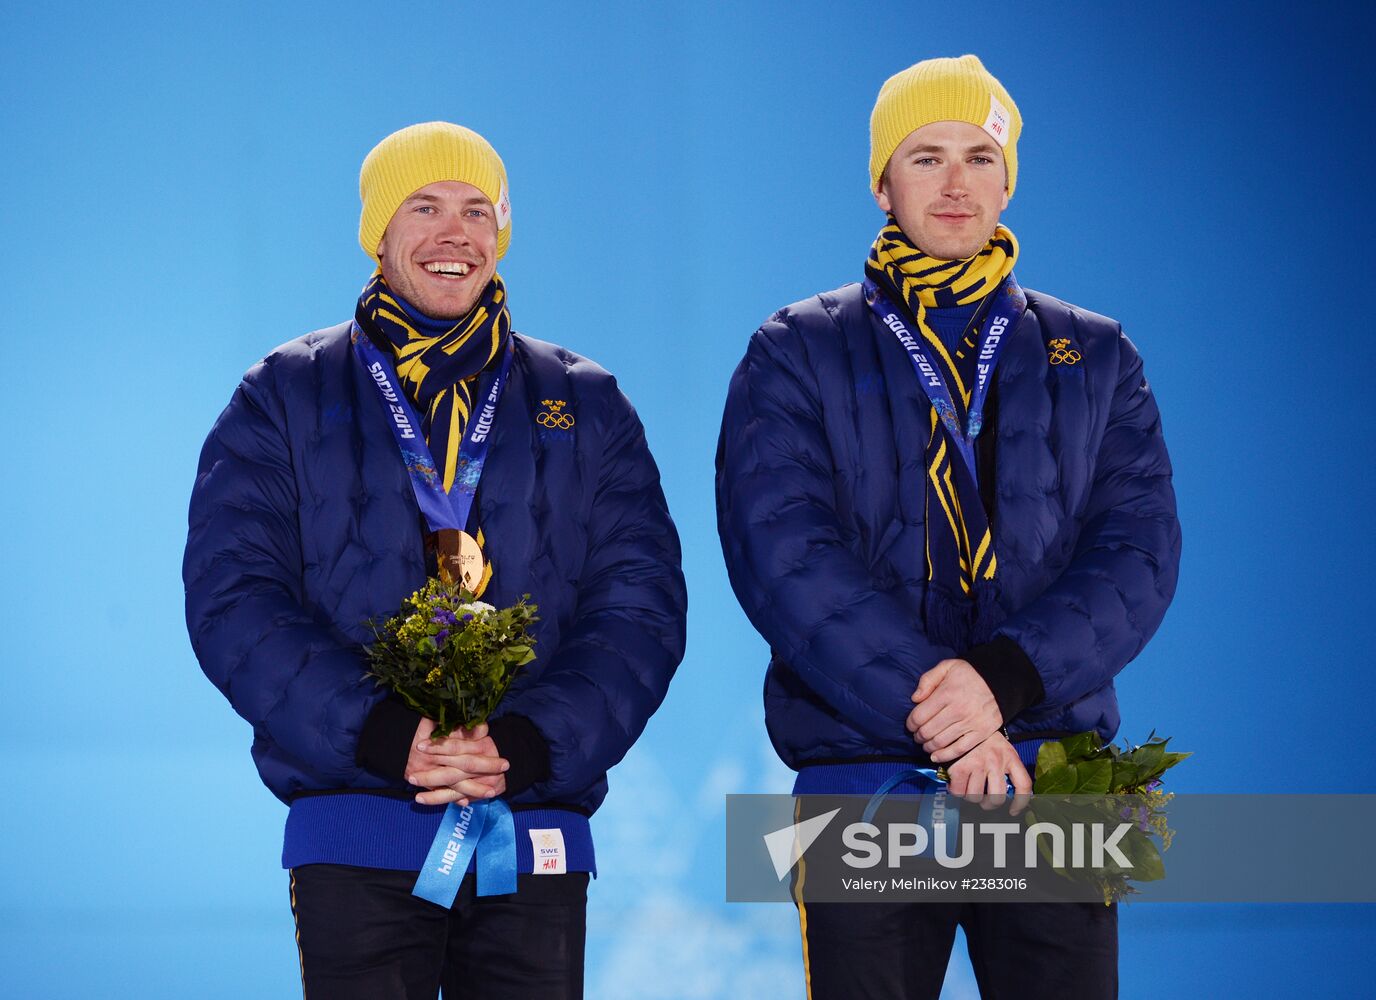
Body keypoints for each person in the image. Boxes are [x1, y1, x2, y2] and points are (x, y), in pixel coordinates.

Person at [184, 121, 686, 1000]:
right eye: (425, 207)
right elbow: (235, 600)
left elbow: (640, 608)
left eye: (477, 211)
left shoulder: (586, 402)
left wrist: (525, 748)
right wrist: (386, 739)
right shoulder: (283, 394)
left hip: (530, 823)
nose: (455, 234)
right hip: (357, 824)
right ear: (379, 234)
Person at [715, 55, 1180, 998]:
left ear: (1009, 179)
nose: (957, 181)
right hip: (868, 773)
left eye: (979, 155)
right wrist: (958, 724)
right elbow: (783, 558)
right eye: (925, 157)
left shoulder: (1094, 353)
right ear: (882, 182)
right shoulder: (795, 350)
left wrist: (1004, 684)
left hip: (1050, 776)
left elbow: (1137, 552)